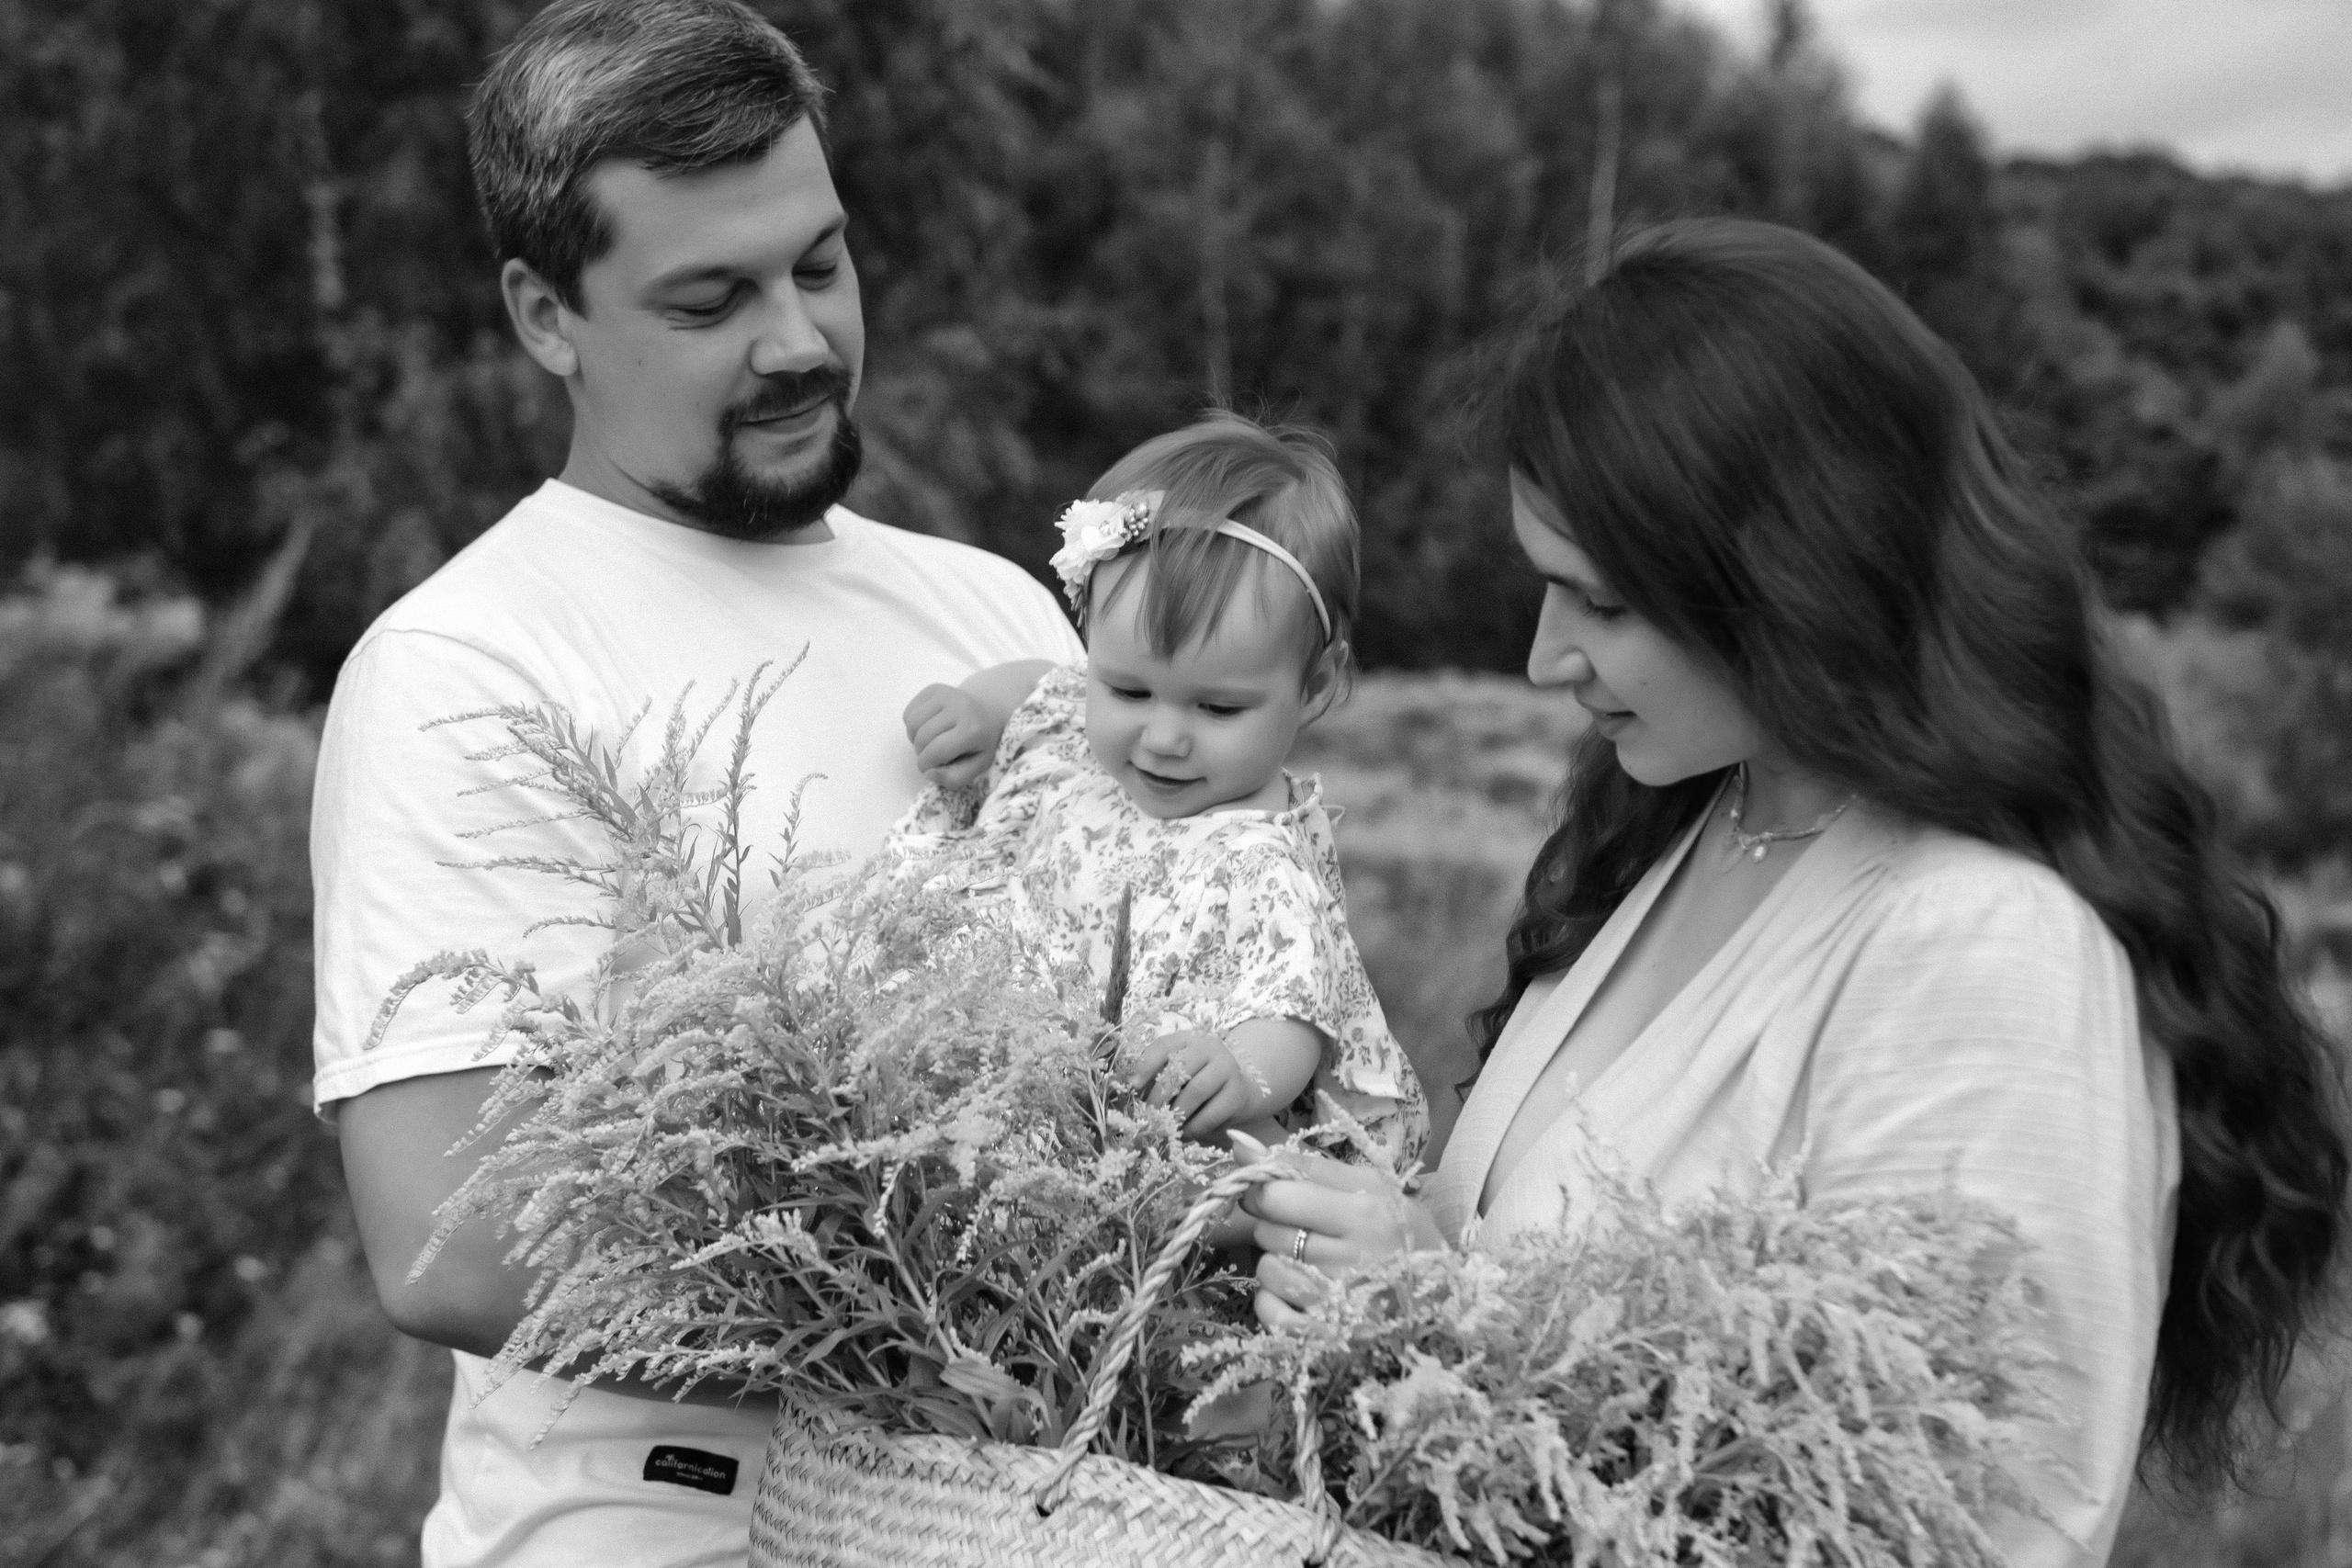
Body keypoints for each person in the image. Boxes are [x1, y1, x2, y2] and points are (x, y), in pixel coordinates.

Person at [1240, 218, 2346, 1565]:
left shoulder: (1988, 951)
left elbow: (1950, 1526)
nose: (1543, 659)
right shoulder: (1690, 825)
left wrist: (1430, 1315)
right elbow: (1527, 1283)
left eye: (1600, 603)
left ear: (1794, 575)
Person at [309, 4, 1080, 1564]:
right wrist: (960, 1338)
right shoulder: (472, 665)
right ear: (547, 314)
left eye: (820, 265)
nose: (798, 340)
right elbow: (457, 1238)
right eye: (711, 299)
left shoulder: (999, 609)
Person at [891, 412, 1429, 1171]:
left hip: (1152, 1118)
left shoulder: (1261, 862)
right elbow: (1042, 684)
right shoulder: (1078, 732)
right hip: (1016, 1060)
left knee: (1217, 1163)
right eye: (1130, 689)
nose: (1164, 736)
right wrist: (978, 707)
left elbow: (1297, 1013)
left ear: (1312, 685)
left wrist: (1241, 1072)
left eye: (1217, 708)